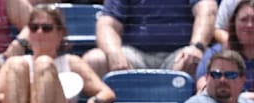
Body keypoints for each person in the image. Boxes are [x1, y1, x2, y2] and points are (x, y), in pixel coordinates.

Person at [0, 4, 115, 103]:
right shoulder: (15, 64)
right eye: (34, 28)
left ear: (60, 33)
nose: (39, 33)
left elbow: (107, 93)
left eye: (46, 28)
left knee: (44, 63)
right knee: (16, 63)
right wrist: (26, 96)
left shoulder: (72, 62)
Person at [82, 0, 218, 78]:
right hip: (134, 56)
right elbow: (107, 24)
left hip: (180, 54)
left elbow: (207, 11)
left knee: (205, 62)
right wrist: (114, 53)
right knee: (94, 60)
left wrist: (197, 47)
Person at [195, 0, 254, 97]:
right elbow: (203, 88)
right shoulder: (216, 54)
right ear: (233, 24)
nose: (249, 25)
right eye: (244, 20)